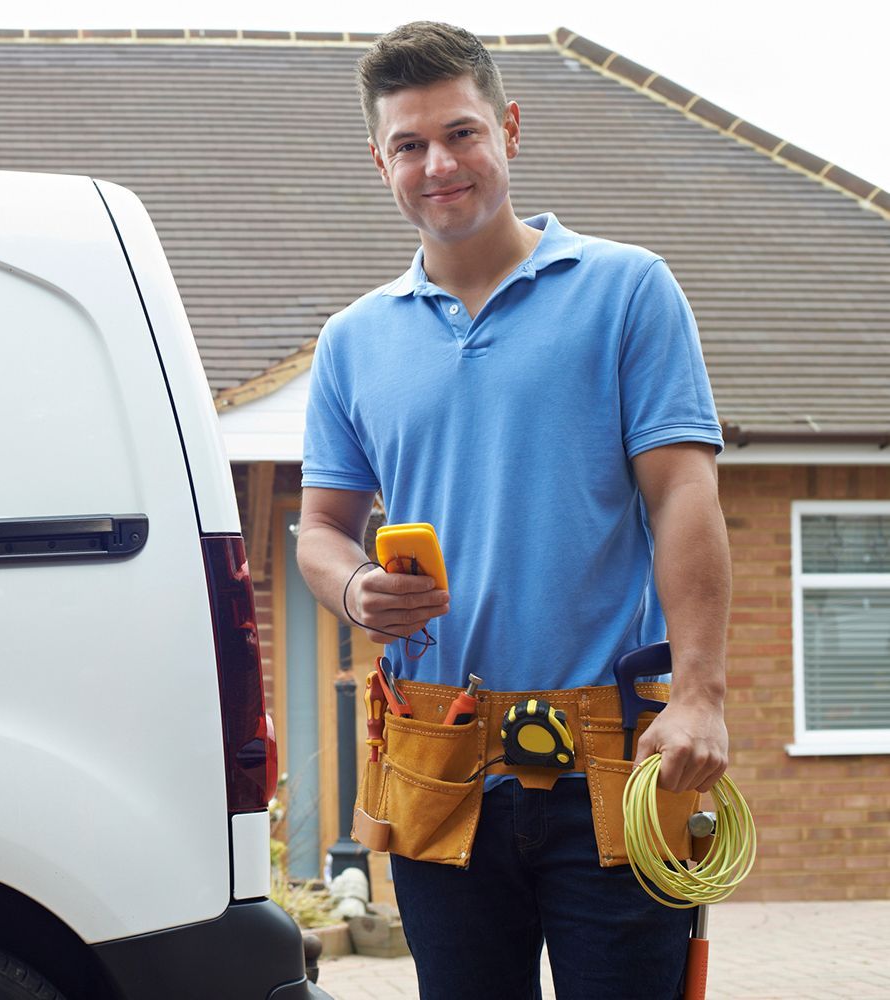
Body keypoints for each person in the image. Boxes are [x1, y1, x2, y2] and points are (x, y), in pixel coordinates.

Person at [296, 21, 731, 1000]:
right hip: (437, 761)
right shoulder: (352, 342)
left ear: (511, 130)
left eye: (460, 133)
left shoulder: (627, 291)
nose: (438, 163)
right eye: (409, 145)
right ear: (380, 162)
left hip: (617, 759)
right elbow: (317, 531)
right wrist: (356, 586)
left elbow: (685, 492)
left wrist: (701, 692)